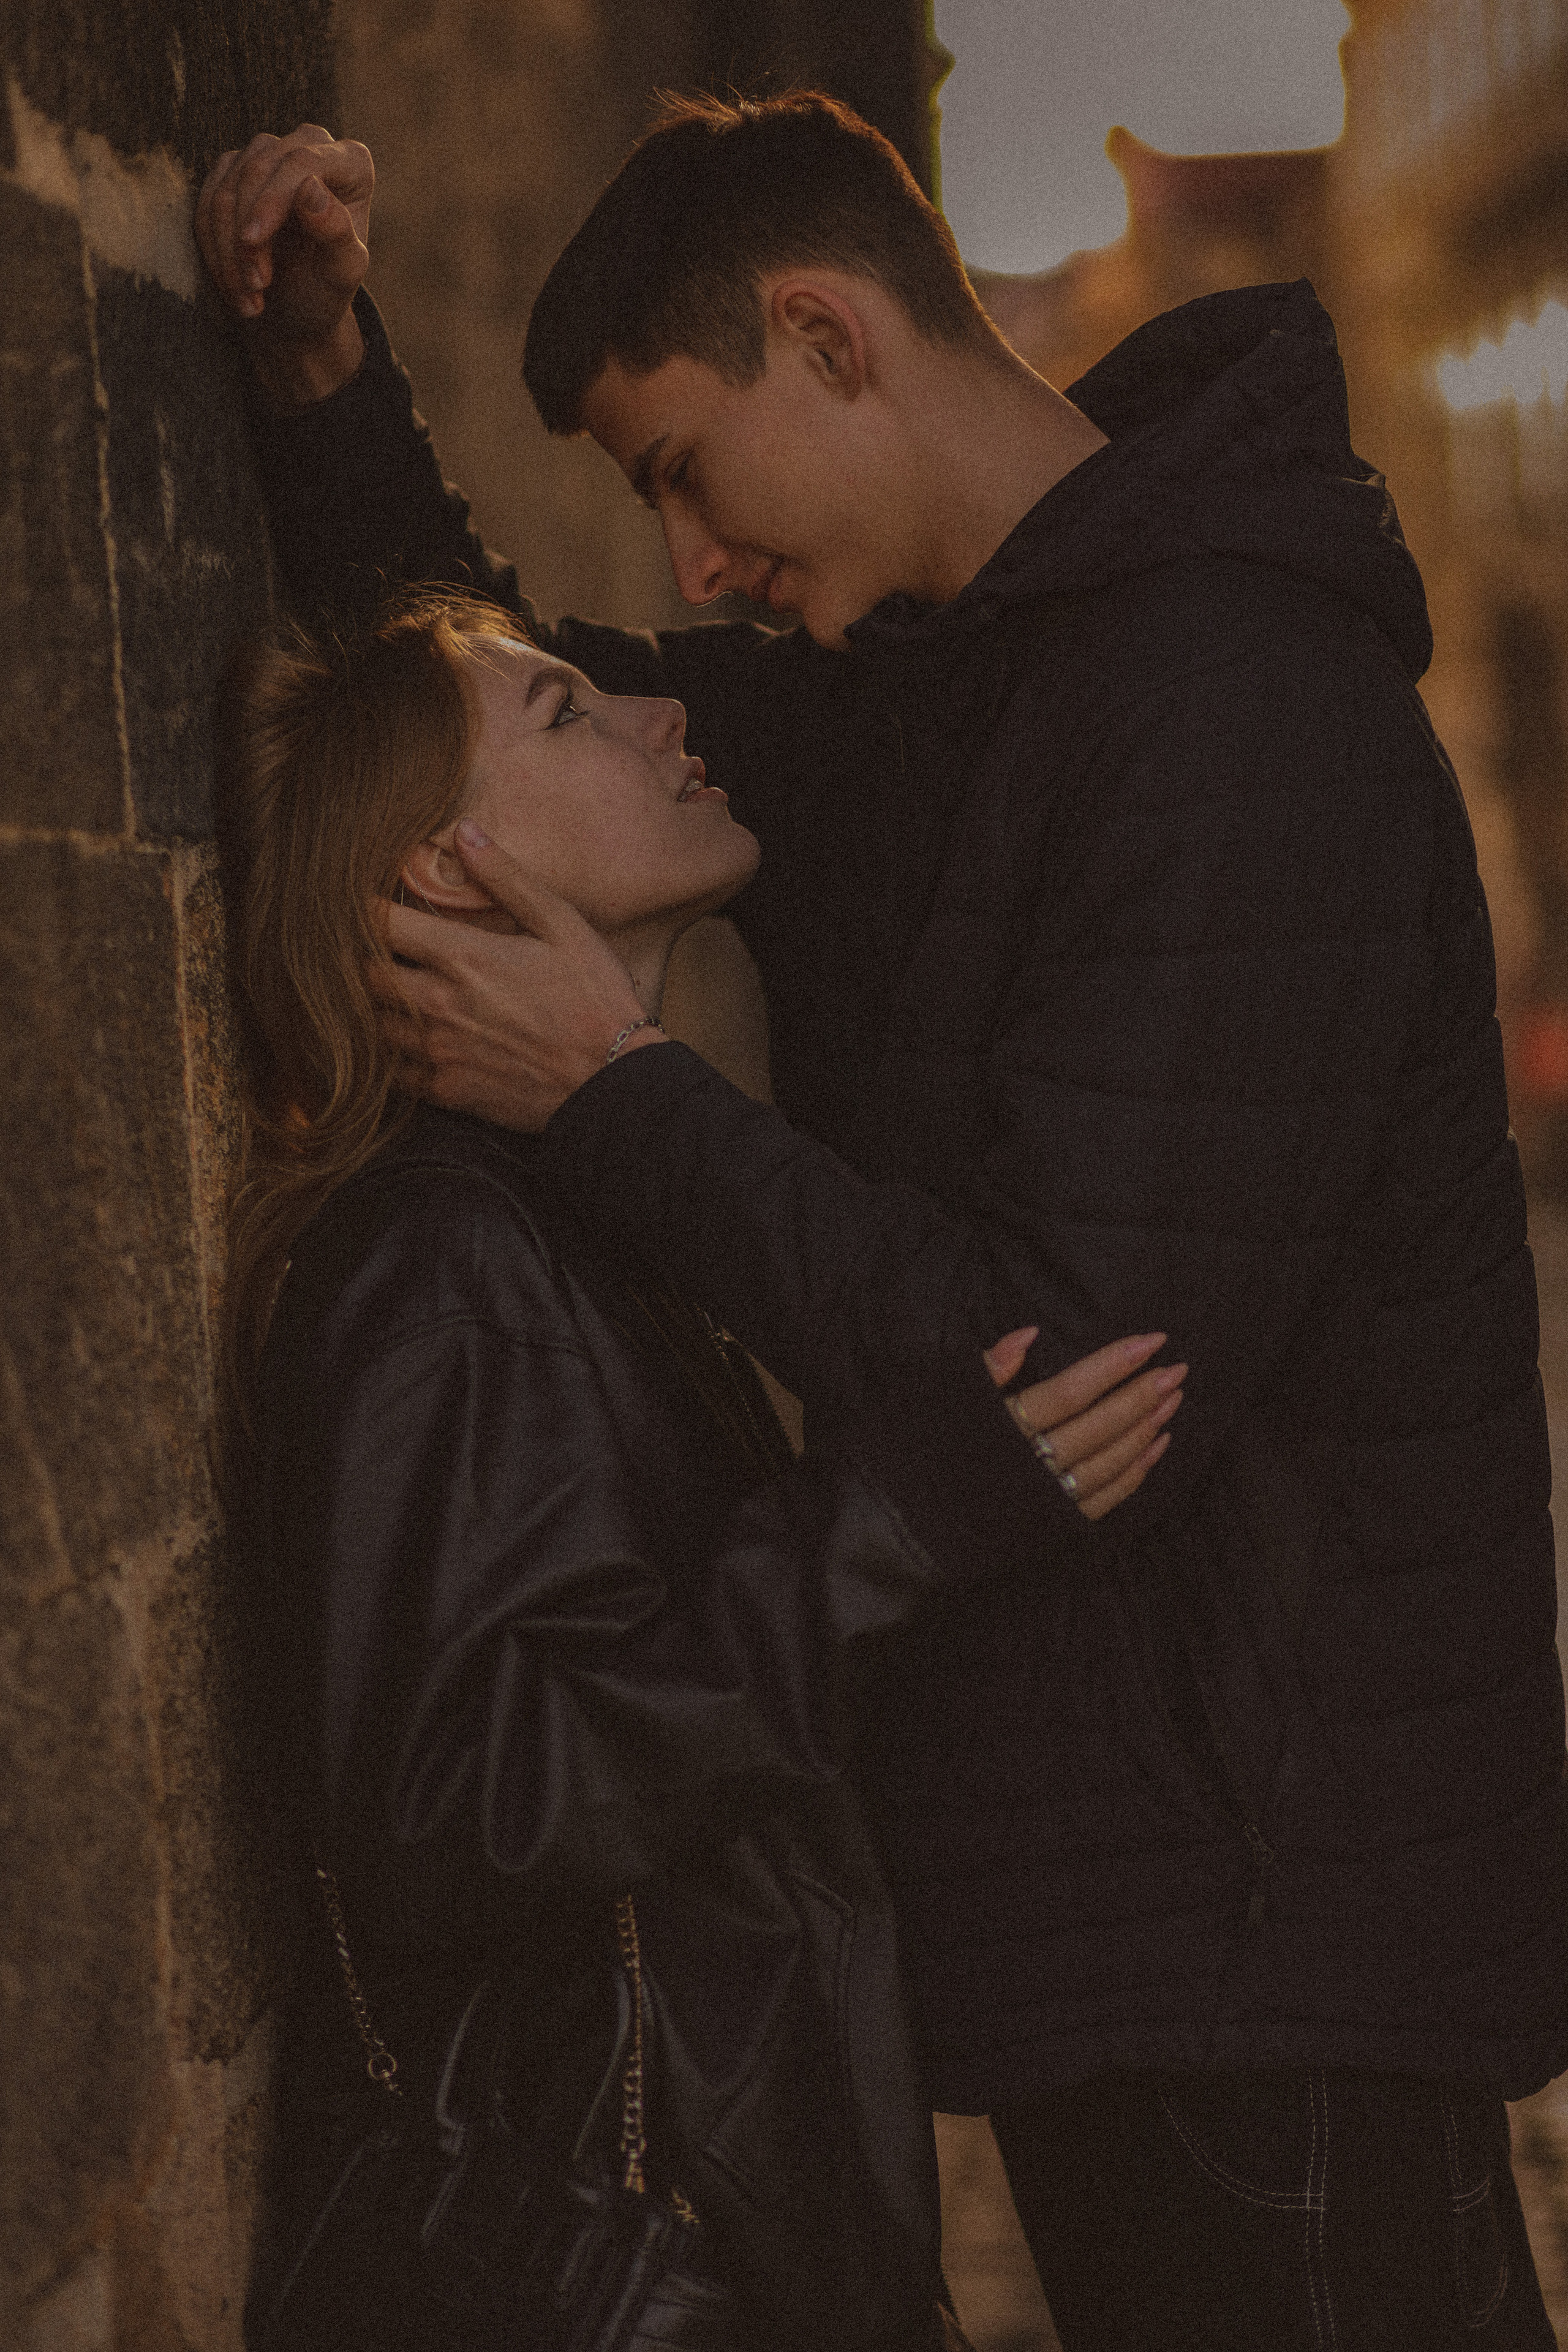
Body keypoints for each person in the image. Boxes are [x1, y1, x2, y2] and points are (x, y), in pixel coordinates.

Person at [199, 94, 1568, 2349]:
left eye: (681, 472)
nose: (692, 573)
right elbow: (481, 751)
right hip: (1114, 1912)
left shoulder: (1228, 704)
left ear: (827, 340)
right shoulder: (943, 688)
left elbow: (1064, 1370)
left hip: (1265, 1931)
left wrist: (613, 1097)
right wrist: (323, 378)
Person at [222, 587, 1178, 2351]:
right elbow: (457, 1804)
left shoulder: (564, 1226)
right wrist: (890, 1531)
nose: (662, 716)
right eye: (573, 715)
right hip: (635, 2258)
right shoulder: (438, 1264)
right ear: (450, 872)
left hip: (759, 2235)